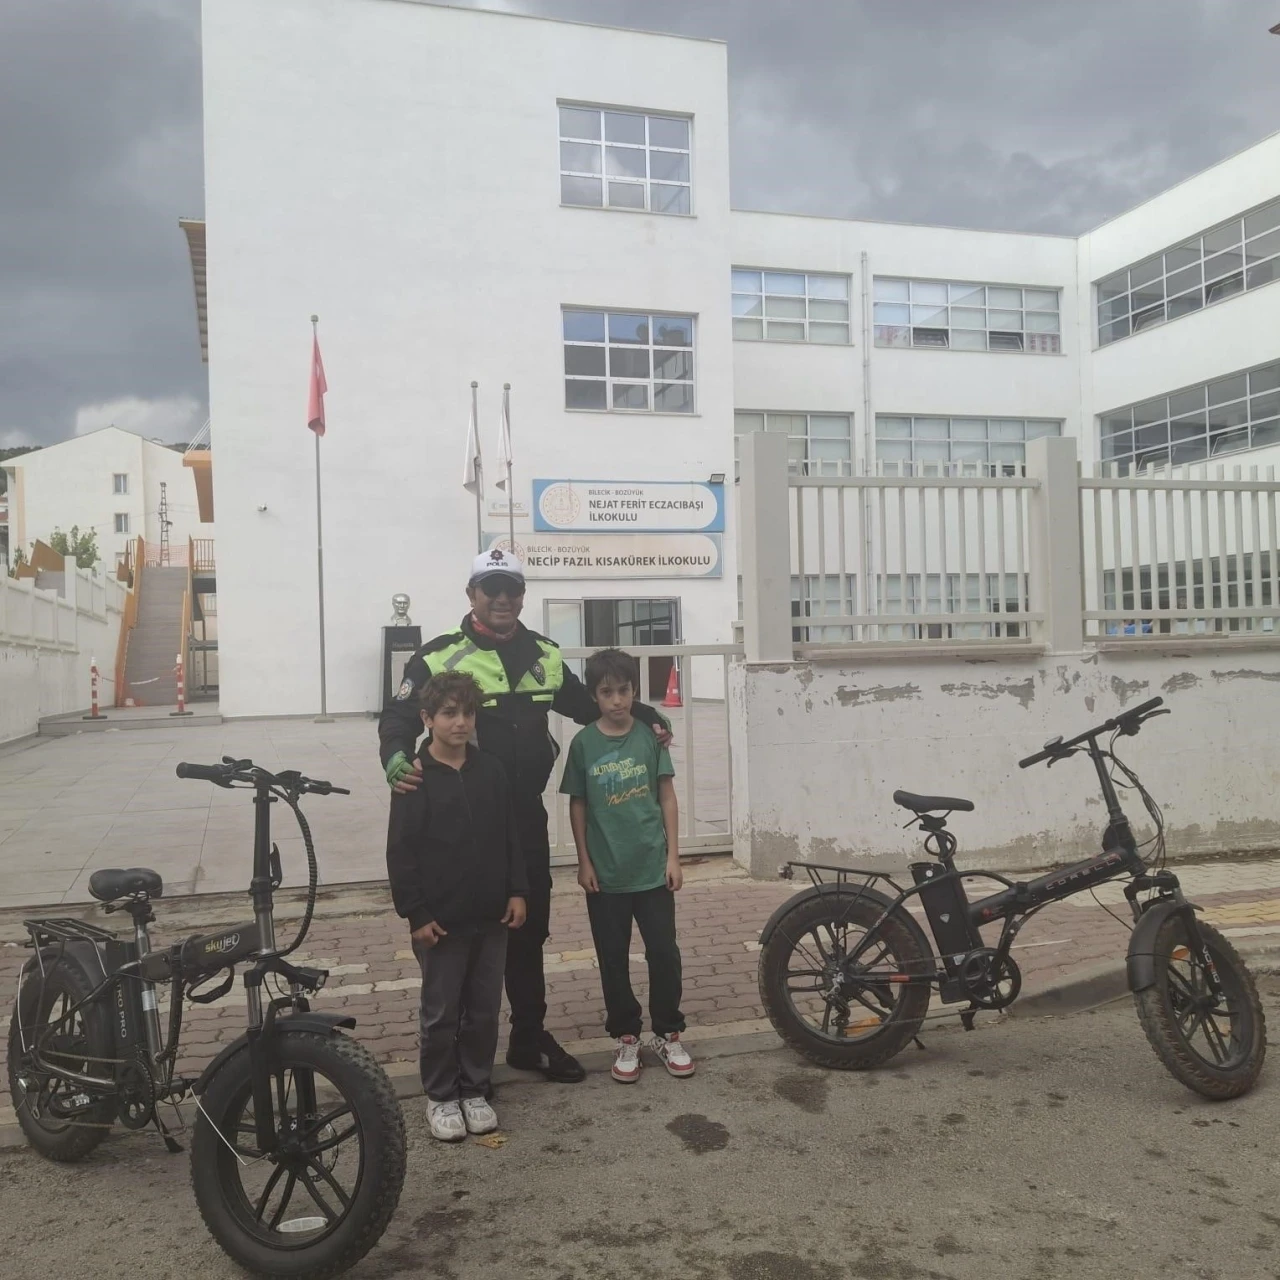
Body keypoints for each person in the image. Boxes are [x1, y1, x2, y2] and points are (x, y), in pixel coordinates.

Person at [378, 548, 671, 1084]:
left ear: (522, 596)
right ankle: (458, 1056)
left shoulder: (544, 655)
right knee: (461, 933)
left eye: (511, 589)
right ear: (472, 595)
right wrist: (395, 756)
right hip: (461, 821)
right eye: (491, 589)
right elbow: (398, 716)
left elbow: (591, 704)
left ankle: (528, 1037)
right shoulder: (438, 656)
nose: (502, 598)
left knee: (528, 928)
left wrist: (648, 714)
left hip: (523, 819)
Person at [385, 671, 527, 1142]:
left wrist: (517, 890)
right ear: (427, 718)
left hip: (491, 916)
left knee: (484, 1009)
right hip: (441, 923)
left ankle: (475, 1088)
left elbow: (510, 834)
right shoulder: (414, 777)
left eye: (467, 712)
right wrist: (417, 914)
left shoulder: (492, 771)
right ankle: (441, 1094)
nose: (460, 722)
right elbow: (401, 851)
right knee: (441, 1012)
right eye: (449, 713)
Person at [560, 647, 694, 1084]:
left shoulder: (650, 737)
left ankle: (668, 1032)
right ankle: (626, 1036)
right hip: (606, 876)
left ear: (635, 690)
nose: (616, 700)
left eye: (623, 690)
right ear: (593, 696)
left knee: (664, 953)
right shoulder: (583, 744)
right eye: (606, 692)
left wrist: (673, 857)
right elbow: (578, 805)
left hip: (652, 870)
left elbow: (666, 796)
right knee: (612, 958)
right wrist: (583, 862)